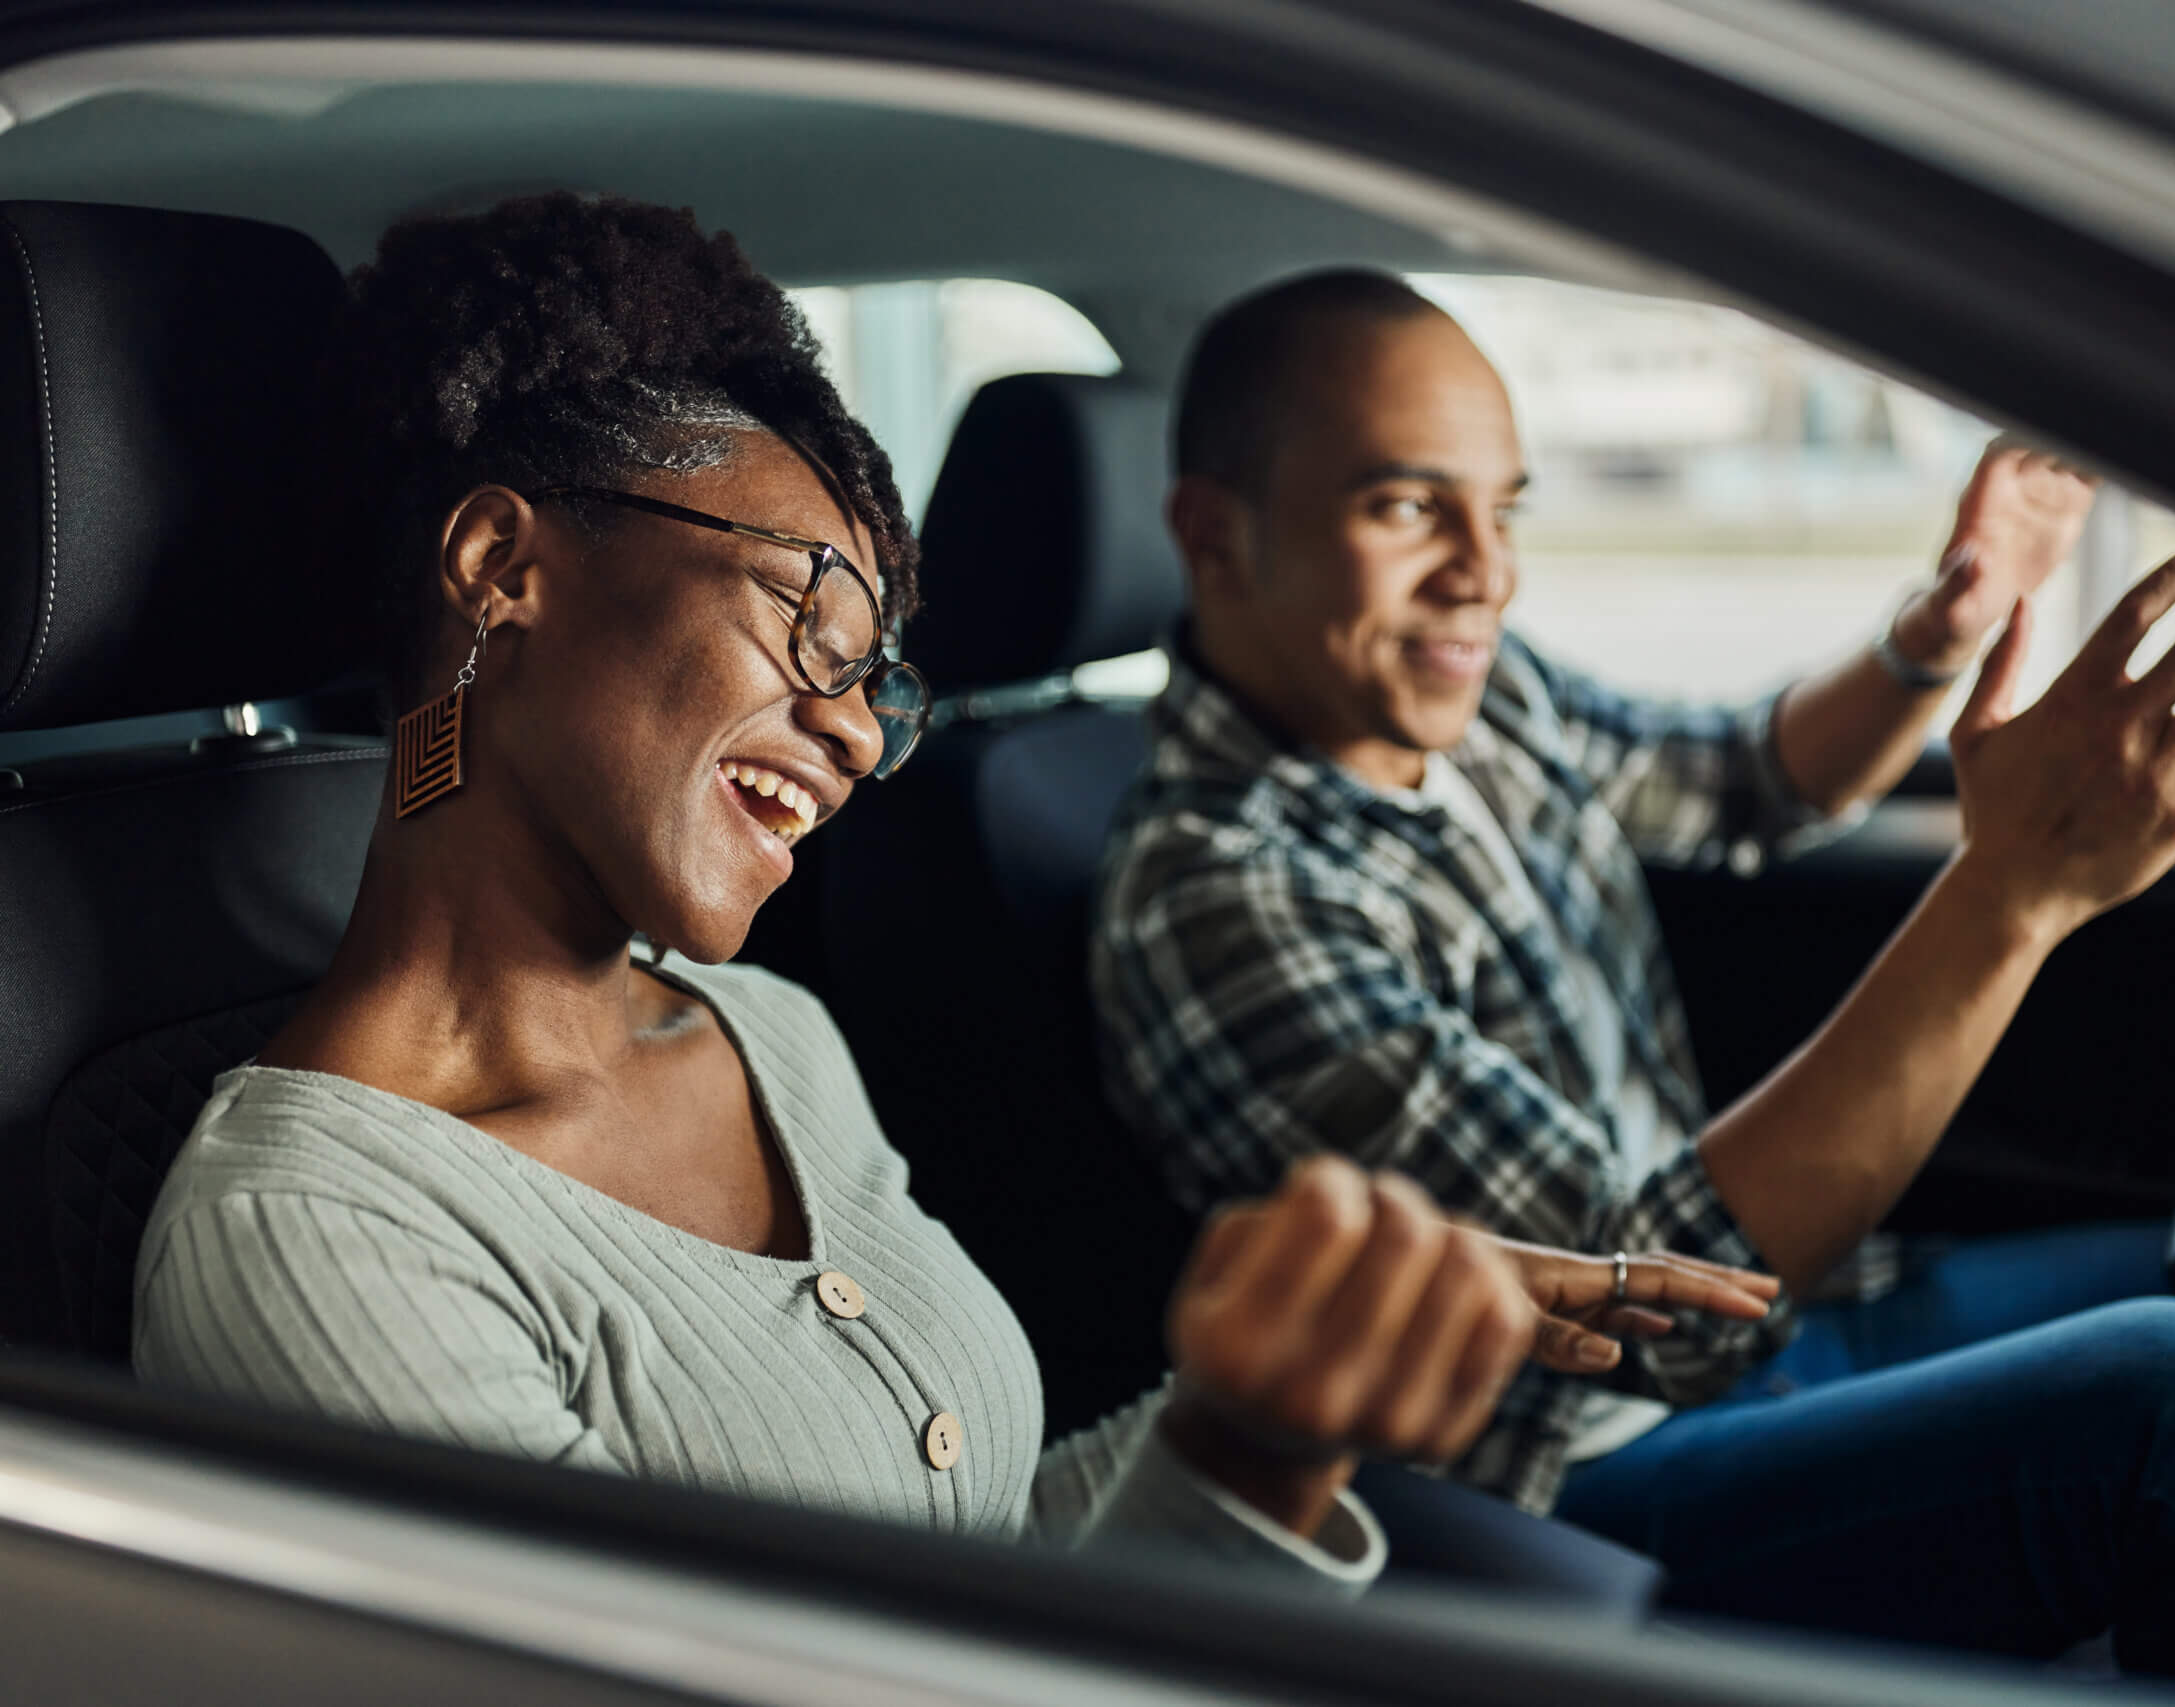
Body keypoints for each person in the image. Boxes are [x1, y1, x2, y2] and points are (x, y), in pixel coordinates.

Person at [129, 198, 1785, 1594]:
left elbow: (988, 1561)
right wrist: (1233, 1456)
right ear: (506, 571)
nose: (856, 732)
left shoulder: (769, 1037)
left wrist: (1295, 1380)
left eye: (879, 682)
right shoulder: (311, 1242)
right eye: (810, 622)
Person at [1087, 269, 2175, 1668]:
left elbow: (1742, 778)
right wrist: (2013, 891)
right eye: (1406, 506)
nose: (1484, 571)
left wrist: (1943, 627)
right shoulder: (1219, 892)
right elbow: (1645, 1292)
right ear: (1216, 537)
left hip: (1774, 1330)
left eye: (1505, 509)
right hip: (1574, 1479)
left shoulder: (1463, 699)